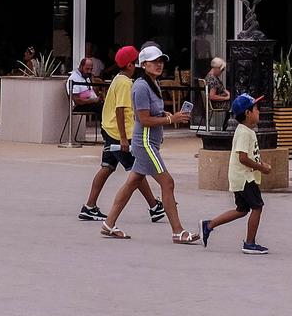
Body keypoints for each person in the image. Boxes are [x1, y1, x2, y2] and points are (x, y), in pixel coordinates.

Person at [99, 45, 198, 243]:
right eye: (154, 61)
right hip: (145, 143)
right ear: (142, 64)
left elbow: (152, 113)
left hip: (148, 142)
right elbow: (143, 119)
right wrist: (172, 119)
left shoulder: (152, 83)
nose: (159, 64)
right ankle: (177, 231)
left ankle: (108, 224)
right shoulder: (141, 86)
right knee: (167, 183)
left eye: (161, 61)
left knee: (132, 183)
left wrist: (165, 114)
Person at [79, 46, 160, 224]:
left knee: (107, 166)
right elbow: (120, 111)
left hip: (110, 130)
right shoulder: (125, 83)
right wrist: (124, 138)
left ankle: (89, 206)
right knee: (136, 170)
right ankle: (154, 206)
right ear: (130, 65)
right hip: (119, 133)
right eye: (137, 61)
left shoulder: (118, 79)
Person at [202, 94, 276, 254]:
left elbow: (248, 155)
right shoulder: (244, 132)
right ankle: (249, 243)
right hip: (244, 177)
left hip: (242, 176)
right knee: (257, 207)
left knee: (242, 210)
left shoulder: (246, 131)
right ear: (247, 113)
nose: (258, 111)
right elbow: (242, 157)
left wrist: (260, 165)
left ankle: (209, 225)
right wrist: (261, 167)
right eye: (255, 108)